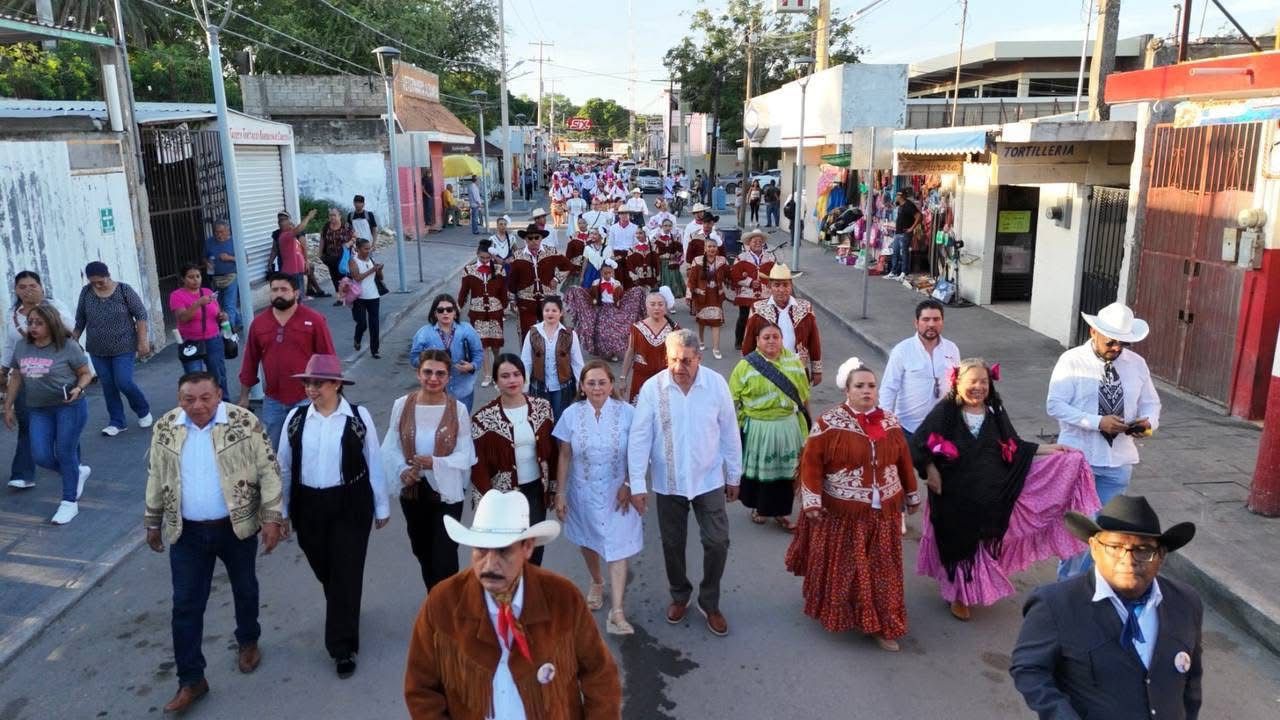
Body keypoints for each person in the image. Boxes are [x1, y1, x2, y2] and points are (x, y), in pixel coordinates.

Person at [403, 488, 621, 719]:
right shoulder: (442, 603)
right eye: (481, 550)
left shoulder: (563, 598)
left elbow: (600, 675)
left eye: (503, 551)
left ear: (527, 547)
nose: (489, 564)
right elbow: (421, 689)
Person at [911, 358, 1098, 621]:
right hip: (953, 495)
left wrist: (1048, 450)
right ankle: (958, 596)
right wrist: (930, 470)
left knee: (979, 543)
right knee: (957, 544)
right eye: (972, 381)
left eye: (984, 382)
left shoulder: (995, 412)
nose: (978, 387)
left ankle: (966, 592)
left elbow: (1013, 444)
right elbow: (918, 444)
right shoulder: (945, 412)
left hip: (989, 493)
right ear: (957, 382)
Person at [1010, 495, 1202, 720]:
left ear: (1161, 556)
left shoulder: (1186, 602)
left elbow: (1191, 681)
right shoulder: (1055, 604)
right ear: (1094, 547)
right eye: (1115, 546)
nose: (1128, 560)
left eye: (1143, 550)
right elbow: (1029, 669)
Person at [784, 358, 921, 652]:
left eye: (871, 386)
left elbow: (903, 461)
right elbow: (811, 464)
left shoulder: (890, 422)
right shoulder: (828, 423)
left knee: (881, 570)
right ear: (847, 390)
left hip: (883, 512)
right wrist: (812, 501)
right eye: (859, 386)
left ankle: (881, 624)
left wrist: (911, 494)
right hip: (843, 513)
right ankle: (842, 611)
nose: (867, 391)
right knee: (848, 568)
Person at [277, 354, 387, 679]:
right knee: (326, 569)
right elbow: (283, 466)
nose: (311, 389)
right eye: (308, 383)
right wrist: (281, 511)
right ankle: (345, 606)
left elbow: (375, 463)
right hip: (307, 505)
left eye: (318, 383)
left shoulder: (357, 416)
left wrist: (382, 507)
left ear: (337, 384)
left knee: (346, 571)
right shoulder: (296, 418)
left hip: (351, 503)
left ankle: (342, 648)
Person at [628, 329, 742, 637]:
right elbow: (639, 437)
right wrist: (637, 483)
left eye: (687, 360)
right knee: (672, 544)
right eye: (674, 359)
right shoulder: (654, 388)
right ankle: (680, 594)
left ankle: (709, 600)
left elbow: (730, 431)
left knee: (717, 541)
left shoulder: (716, 385)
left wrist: (734, 474)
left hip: (709, 479)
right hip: (669, 482)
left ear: (699, 359)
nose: (679, 367)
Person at [1049, 302, 1162, 579]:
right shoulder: (1072, 360)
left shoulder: (1136, 365)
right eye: (1111, 341)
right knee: (1080, 530)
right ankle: (1068, 589)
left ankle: (1091, 584)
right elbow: (1055, 405)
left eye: (1122, 343)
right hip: (1080, 459)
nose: (1117, 348)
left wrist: (1146, 424)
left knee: (1107, 533)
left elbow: (1151, 404)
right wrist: (1098, 421)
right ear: (1093, 332)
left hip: (1118, 462)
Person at [553, 361, 644, 635]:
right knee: (588, 540)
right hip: (583, 489)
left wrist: (630, 483)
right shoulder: (571, 414)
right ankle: (596, 580)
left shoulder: (628, 413)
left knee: (618, 546)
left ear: (611, 384)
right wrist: (560, 492)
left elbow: (638, 453)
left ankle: (617, 612)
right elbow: (565, 454)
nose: (596, 388)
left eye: (602, 382)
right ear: (582, 386)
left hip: (619, 492)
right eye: (590, 383)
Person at [382, 350, 476, 590]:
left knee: (444, 556)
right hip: (413, 492)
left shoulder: (458, 410)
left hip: (446, 493)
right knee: (422, 550)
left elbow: (466, 454)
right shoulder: (402, 405)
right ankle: (435, 600)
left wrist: (435, 463)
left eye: (440, 374)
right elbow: (390, 446)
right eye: (428, 372)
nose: (433, 378)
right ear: (418, 373)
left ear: (448, 377)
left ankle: (447, 606)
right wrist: (403, 470)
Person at [2, 305, 93, 525]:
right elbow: (16, 376)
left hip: (69, 407)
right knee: (40, 455)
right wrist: (8, 405)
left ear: (51, 324)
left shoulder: (67, 346)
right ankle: (75, 472)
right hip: (38, 409)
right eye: (30, 322)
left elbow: (85, 373)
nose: (32, 327)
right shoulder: (23, 347)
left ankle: (69, 502)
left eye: (38, 323)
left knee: (64, 451)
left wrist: (78, 388)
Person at [470, 354, 558, 567]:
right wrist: (486, 504)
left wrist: (554, 488)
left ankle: (531, 592)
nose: (512, 380)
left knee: (534, 547)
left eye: (516, 374)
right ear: (496, 381)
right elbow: (478, 466)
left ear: (524, 377)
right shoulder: (482, 419)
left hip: (536, 490)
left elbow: (553, 452)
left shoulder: (542, 408)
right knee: (508, 551)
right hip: (503, 496)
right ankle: (509, 596)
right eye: (505, 376)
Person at [238, 273, 337, 451]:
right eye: (274, 289)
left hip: (307, 398)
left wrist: (330, 394)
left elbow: (328, 358)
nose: (279, 293)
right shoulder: (259, 324)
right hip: (273, 400)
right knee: (274, 451)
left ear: (296, 293)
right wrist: (244, 396)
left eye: (284, 289)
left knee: (308, 449)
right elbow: (250, 361)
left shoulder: (314, 320)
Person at [729, 322, 810, 530]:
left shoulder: (794, 363)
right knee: (762, 472)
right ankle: (760, 507)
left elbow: (804, 396)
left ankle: (782, 512)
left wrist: (809, 424)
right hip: (759, 428)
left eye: (776, 337)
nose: (771, 341)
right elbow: (732, 400)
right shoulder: (746, 365)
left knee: (786, 472)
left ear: (782, 340)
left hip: (788, 426)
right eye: (766, 337)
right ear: (757, 341)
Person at [4, 272, 77, 490]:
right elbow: (9, 344)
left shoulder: (55, 306)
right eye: (23, 286)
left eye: (33, 285)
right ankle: (23, 473)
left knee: (65, 428)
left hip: (57, 375)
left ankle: (74, 465)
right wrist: (3, 368)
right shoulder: (13, 314)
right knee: (27, 423)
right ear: (16, 290)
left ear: (41, 287)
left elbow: (69, 330)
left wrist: (42, 308)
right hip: (27, 376)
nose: (28, 290)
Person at [73, 261, 152, 437]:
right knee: (108, 385)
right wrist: (73, 340)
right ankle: (117, 422)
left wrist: (143, 341)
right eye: (93, 282)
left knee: (123, 381)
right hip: (97, 349)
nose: (97, 285)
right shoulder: (86, 293)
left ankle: (143, 409)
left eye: (100, 281)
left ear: (108, 275)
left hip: (124, 346)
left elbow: (140, 315)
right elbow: (80, 319)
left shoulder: (124, 290)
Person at [880, 299, 960, 439]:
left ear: (942, 322)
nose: (931, 324)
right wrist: (885, 425)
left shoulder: (952, 349)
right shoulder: (902, 350)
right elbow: (889, 388)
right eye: (926, 319)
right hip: (908, 429)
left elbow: (958, 385)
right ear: (916, 323)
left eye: (936, 319)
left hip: (943, 429)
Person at [741, 264, 824, 385]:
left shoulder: (805, 307)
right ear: (769, 286)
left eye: (785, 285)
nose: (781, 289)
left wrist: (817, 370)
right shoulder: (758, 308)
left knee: (799, 402)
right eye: (777, 285)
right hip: (767, 369)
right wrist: (745, 370)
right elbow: (748, 341)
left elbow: (814, 340)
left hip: (798, 367)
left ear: (791, 286)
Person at [409, 293, 485, 411]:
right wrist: (427, 360)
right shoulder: (424, 333)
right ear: (435, 313)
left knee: (460, 425)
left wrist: (471, 366)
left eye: (449, 309)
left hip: (462, 391)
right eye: (441, 310)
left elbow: (478, 354)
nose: (445, 313)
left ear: (455, 313)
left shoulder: (467, 330)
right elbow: (413, 358)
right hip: (435, 390)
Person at [564, 260, 646, 362]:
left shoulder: (616, 284)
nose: (607, 275)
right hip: (602, 310)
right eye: (605, 273)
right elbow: (590, 295)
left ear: (612, 273)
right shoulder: (596, 283)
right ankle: (606, 351)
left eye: (609, 273)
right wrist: (585, 295)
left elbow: (622, 296)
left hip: (614, 309)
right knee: (602, 331)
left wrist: (625, 299)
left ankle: (614, 351)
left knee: (615, 331)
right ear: (601, 273)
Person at [169, 263, 231, 398]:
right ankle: (200, 406)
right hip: (191, 342)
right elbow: (183, 318)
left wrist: (223, 317)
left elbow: (217, 314)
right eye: (191, 277)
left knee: (218, 375)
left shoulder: (208, 292)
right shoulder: (177, 296)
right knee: (194, 378)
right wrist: (197, 303)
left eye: (198, 276)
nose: (195, 280)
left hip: (213, 339)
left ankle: (224, 404)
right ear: (183, 279)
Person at [520, 296, 586, 422]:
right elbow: (526, 362)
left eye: (554, 310)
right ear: (542, 312)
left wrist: (581, 386)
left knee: (561, 422)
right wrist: (524, 387)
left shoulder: (570, 334)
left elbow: (577, 363)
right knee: (541, 422)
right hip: (538, 387)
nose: (550, 313)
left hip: (563, 388)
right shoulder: (533, 332)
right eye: (547, 310)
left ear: (561, 313)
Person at [456, 242, 508, 388]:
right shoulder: (469, 270)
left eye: (487, 258)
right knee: (482, 345)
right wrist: (457, 308)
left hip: (495, 312)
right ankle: (487, 374)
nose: (485, 260)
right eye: (482, 257)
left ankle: (498, 373)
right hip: (477, 313)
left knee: (496, 346)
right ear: (477, 254)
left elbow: (503, 290)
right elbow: (464, 292)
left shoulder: (498, 269)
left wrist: (503, 306)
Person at [509, 224, 574, 340]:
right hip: (526, 301)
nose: (533, 241)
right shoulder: (517, 255)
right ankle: (529, 358)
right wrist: (512, 299)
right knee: (528, 334)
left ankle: (552, 357)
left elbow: (568, 266)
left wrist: (557, 279)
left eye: (536, 237)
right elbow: (512, 279)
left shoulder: (551, 251)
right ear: (525, 239)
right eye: (530, 238)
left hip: (548, 300)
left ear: (541, 238)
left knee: (553, 333)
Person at [620, 289, 679, 403]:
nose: (656, 308)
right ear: (646, 307)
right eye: (652, 304)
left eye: (660, 304)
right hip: (641, 378)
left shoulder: (674, 329)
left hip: (666, 379)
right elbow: (630, 352)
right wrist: (623, 378)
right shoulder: (636, 328)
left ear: (666, 307)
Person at [729, 229, 775, 350]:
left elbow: (775, 274)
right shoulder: (741, 257)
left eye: (759, 241)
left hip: (765, 292)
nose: (757, 243)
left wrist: (769, 283)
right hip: (747, 293)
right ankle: (739, 341)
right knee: (744, 317)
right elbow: (735, 275)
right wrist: (749, 282)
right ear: (749, 243)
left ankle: (760, 341)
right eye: (754, 241)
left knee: (764, 318)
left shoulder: (770, 257)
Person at [686, 238, 731, 359]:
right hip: (701, 296)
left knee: (716, 322)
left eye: (714, 247)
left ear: (717, 248)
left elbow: (730, 275)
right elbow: (691, 280)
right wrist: (689, 295)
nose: (712, 249)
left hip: (716, 295)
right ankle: (701, 341)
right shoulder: (697, 261)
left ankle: (716, 349)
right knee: (702, 321)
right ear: (705, 248)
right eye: (709, 246)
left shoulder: (722, 261)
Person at [346, 237, 383, 358]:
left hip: (373, 296)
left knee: (374, 325)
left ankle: (375, 350)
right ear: (358, 249)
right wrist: (372, 269)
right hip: (359, 297)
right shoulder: (353, 261)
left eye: (369, 248)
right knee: (362, 324)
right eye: (365, 249)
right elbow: (357, 277)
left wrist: (379, 270)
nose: (368, 250)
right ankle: (357, 339)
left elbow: (380, 278)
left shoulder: (371, 259)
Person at [204, 221, 242, 328]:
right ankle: (239, 322)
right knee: (219, 304)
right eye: (216, 232)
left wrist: (229, 258)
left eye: (221, 232)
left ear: (227, 231)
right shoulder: (209, 242)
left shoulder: (235, 241)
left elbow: (245, 259)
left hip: (231, 277)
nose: (219, 235)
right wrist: (207, 263)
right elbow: (204, 257)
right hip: (215, 278)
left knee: (228, 305)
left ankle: (230, 332)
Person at [273, 208, 317, 292]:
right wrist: (309, 216)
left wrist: (306, 262)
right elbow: (300, 227)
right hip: (291, 271)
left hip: (297, 269)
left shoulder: (291, 234)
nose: (288, 221)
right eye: (282, 220)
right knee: (296, 296)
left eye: (287, 219)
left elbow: (303, 246)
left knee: (299, 295)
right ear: (280, 224)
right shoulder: (285, 236)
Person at [319, 208, 354, 305]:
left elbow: (355, 237)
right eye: (330, 215)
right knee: (334, 278)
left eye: (334, 215)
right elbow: (322, 239)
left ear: (339, 216)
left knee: (344, 277)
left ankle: (349, 296)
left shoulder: (346, 226)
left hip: (343, 257)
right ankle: (340, 299)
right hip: (330, 256)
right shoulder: (326, 226)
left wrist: (349, 243)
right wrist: (320, 253)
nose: (332, 217)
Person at [886, 190, 920, 280]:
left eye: (897, 195)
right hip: (898, 232)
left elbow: (919, 216)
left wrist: (911, 228)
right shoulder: (900, 205)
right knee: (895, 252)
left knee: (904, 253)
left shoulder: (909, 205)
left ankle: (904, 272)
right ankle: (894, 271)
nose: (896, 197)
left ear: (901, 196)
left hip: (905, 233)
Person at [654, 218, 686, 299]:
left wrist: (676, 254)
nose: (668, 227)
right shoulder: (656, 238)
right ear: (662, 226)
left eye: (669, 226)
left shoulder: (675, 238)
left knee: (673, 283)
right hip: (662, 265)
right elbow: (654, 252)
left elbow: (680, 250)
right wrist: (665, 256)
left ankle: (671, 304)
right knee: (663, 283)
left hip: (672, 264)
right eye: (665, 226)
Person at [623, 227, 659, 291]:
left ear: (646, 234)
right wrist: (634, 277)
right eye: (636, 233)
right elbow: (630, 265)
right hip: (639, 278)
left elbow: (657, 263)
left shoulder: (653, 247)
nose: (638, 235)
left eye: (640, 233)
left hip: (651, 277)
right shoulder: (632, 249)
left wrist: (658, 276)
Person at [563, 215, 589, 290]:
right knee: (574, 290)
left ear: (587, 223)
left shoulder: (592, 235)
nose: (581, 225)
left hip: (589, 267)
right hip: (576, 267)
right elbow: (568, 255)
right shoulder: (574, 236)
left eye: (583, 223)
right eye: (579, 223)